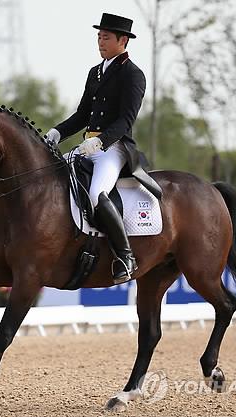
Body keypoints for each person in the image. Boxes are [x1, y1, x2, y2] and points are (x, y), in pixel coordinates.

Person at [46, 13, 162, 285]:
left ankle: (125, 256)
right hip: (88, 145)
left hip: (115, 148)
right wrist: (57, 132)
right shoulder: (95, 72)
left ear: (122, 40)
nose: (100, 41)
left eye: (106, 37)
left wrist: (101, 141)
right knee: (53, 176)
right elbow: (82, 114)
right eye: (99, 36)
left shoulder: (133, 74)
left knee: (98, 194)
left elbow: (126, 120)